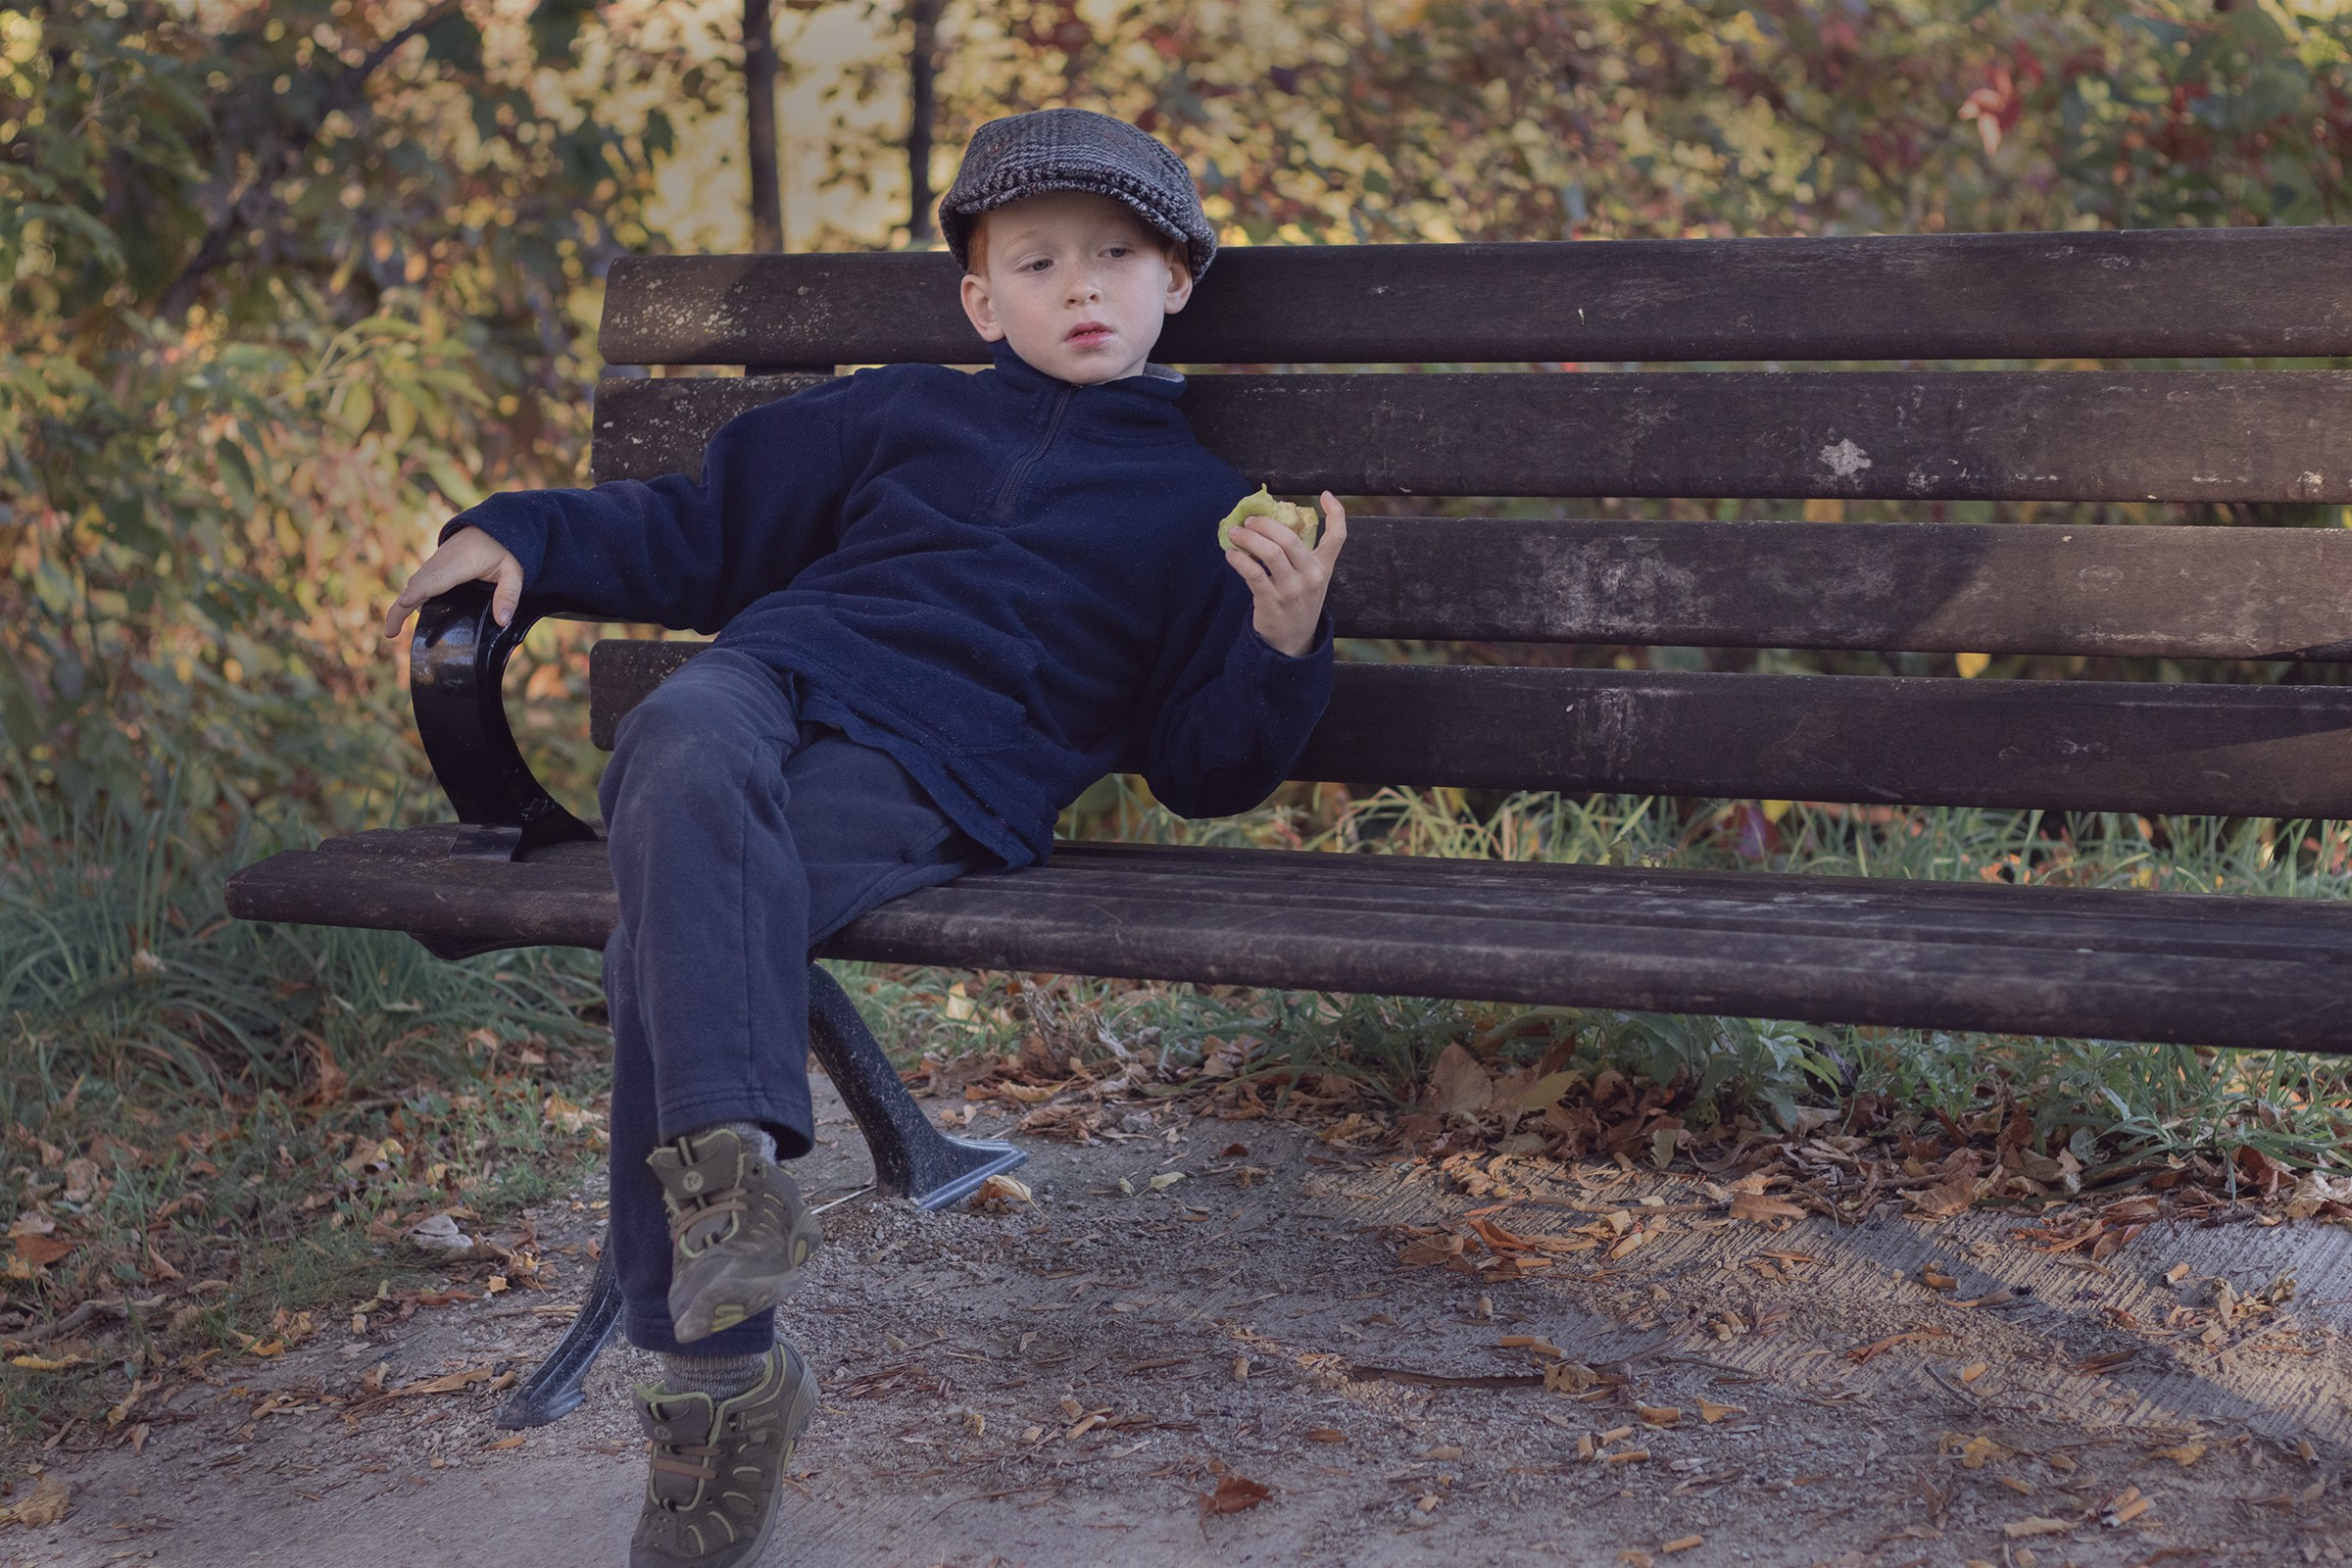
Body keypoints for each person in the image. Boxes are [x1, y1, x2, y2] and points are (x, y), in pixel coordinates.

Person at [379, 108, 1347, 1567]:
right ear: (981, 298)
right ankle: (728, 1216)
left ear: (1179, 280)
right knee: (675, 739)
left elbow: (1207, 767)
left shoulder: (1198, 513)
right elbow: (694, 526)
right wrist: (524, 532)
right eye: (1036, 262)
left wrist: (1282, 637)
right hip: (765, 682)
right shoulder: (899, 411)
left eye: (1116, 256)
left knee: (675, 921)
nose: (1079, 287)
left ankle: (720, 1388)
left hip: (934, 766)